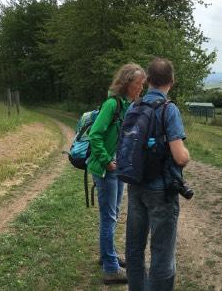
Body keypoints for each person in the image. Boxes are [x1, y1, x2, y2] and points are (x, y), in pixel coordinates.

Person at [125, 57, 192, 290]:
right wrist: (187, 154)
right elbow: (180, 156)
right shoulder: (168, 109)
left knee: (134, 247)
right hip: (161, 190)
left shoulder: (134, 106)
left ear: (149, 80)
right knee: (162, 251)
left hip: (135, 184)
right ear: (171, 82)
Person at [88, 63, 146, 284]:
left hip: (116, 169)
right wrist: (107, 161)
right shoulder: (112, 104)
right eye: (138, 84)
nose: (141, 88)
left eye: (142, 84)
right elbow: (95, 135)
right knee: (109, 217)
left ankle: (107, 256)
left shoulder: (125, 105)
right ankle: (111, 268)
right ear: (127, 83)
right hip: (106, 170)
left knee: (112, 214)